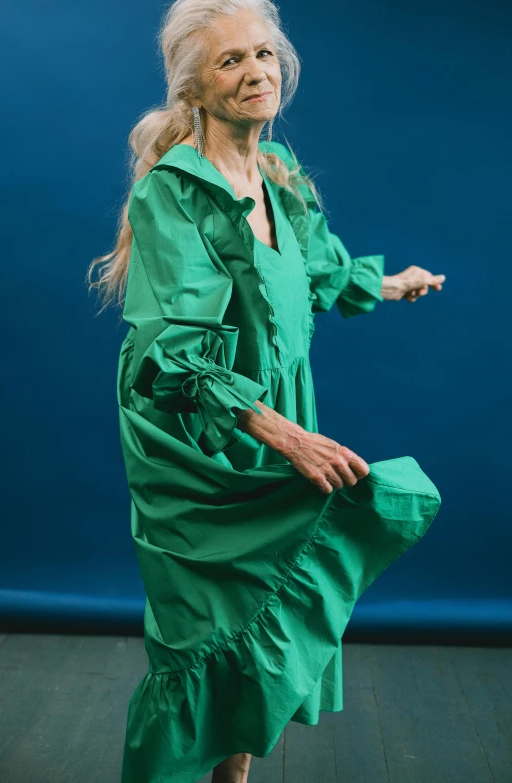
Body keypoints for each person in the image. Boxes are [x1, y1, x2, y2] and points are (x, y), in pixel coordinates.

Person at [87, 1, 445, 781]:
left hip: (275, 414)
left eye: (264, 54)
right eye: (229, 61)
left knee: (256, 620)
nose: (256, 71)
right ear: (194, 90)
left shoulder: (282, 186)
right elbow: (171, 350)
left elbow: (311, 275)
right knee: (198, 635)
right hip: (201, 435)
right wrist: (285, 434)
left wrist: (385, 285)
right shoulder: (175, 192)